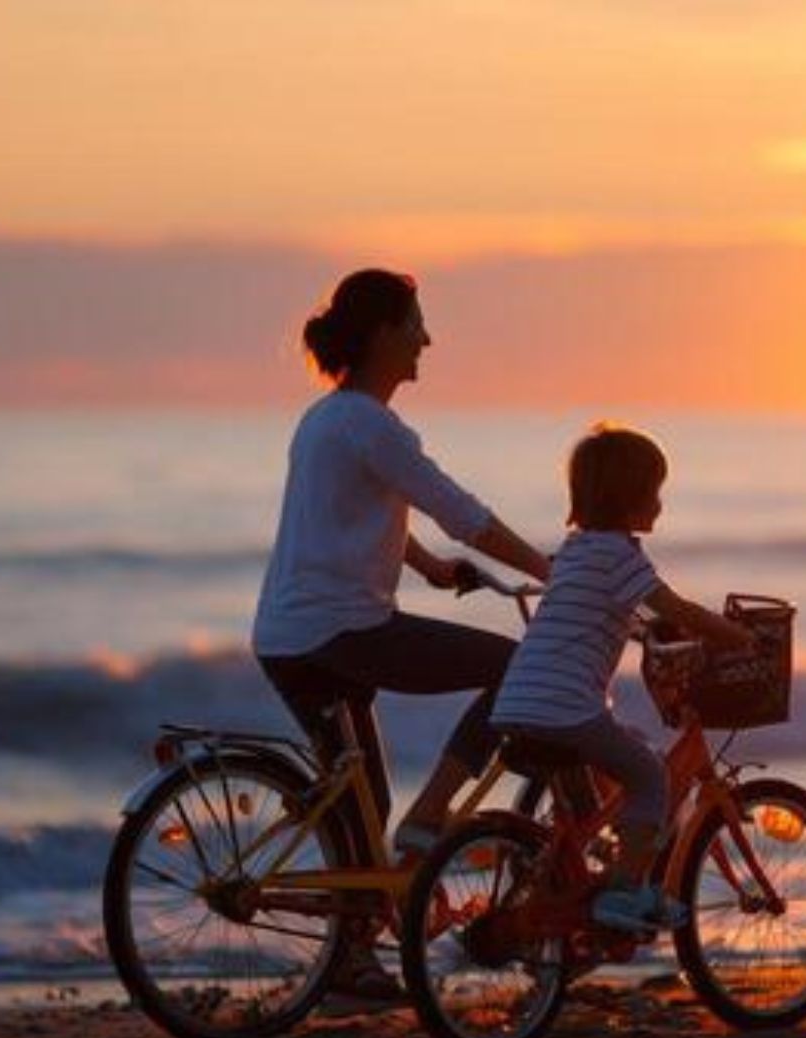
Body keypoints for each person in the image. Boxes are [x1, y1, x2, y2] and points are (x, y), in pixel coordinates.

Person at [253, 269, 552, 998]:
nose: (427, 337)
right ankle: (431, 819)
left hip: (289, 637)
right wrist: (554, 568)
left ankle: (352, 955)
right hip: (342, 632)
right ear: (385, 331)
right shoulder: (373, 423)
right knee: (517, 668)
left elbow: (352, 510)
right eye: (417, 321)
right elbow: (461, 511)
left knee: (360, 804)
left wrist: (423, 564)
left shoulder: (325, 419)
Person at [490, 423, 754, 933]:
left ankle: (577, 879)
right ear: (631, 500)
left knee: (624, 747)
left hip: (517, 703)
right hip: (567, 708)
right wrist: (735, 636)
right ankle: (625, 893)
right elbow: (673, 606)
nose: (660, 504)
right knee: (650, 775)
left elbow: (598, 610)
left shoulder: (575, 551)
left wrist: (642, 627)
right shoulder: (621, 555)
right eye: (655, 492)